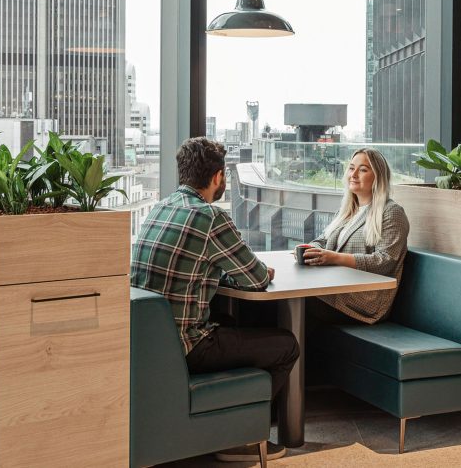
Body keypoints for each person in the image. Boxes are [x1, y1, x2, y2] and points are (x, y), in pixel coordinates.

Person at [131, 137, 297, 462]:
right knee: (286, 345)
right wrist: (257, 271)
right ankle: (239, 437)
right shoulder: (210, 217)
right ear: (219, 177)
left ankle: (237, 421)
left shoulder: (158, 208)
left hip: (150, 346)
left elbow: (193, 268)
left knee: (234, 323)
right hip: (189, 347)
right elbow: (257, 277)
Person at [302, 148, 410, 323]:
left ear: (378, 177)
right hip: (334, 288)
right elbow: (321, 240)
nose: (354, 174)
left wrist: (335, 258)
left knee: (296, 303)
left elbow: (385, 261)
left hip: (364, 301)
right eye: (351, 168)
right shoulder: (346, 211)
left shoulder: (392, 212)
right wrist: (311, 250)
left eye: (363, 170)